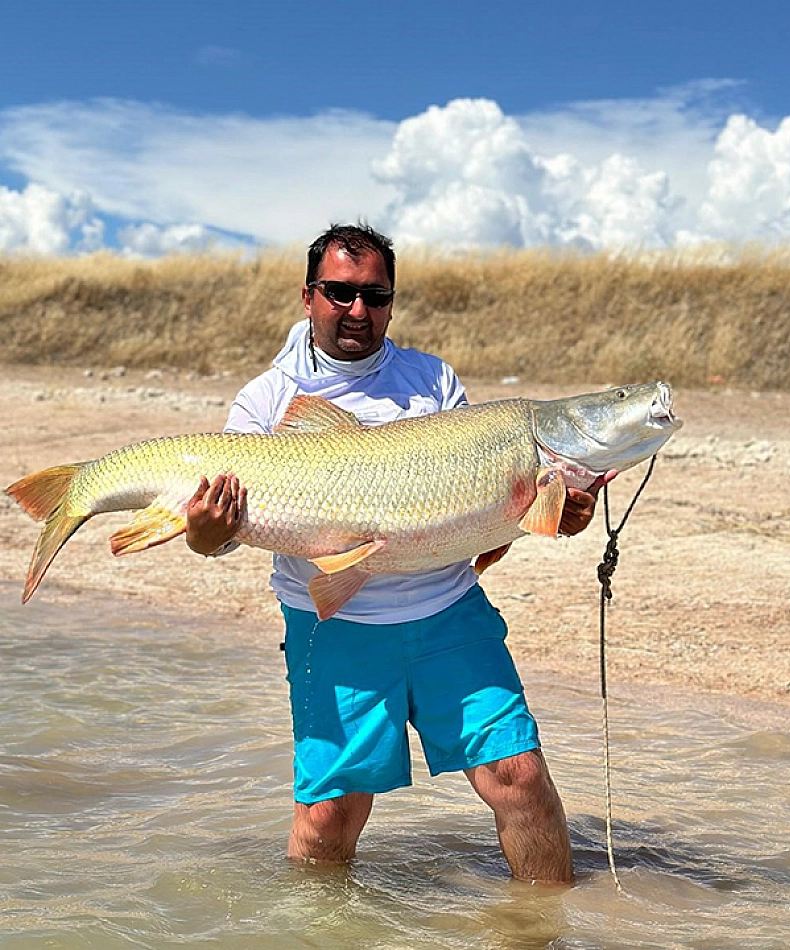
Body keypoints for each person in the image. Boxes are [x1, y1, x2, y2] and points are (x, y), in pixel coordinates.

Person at [182, 223, 600, 884]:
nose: (357, 311)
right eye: (340, 293)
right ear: (308, 295)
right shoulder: (264, 401)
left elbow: (487, 522)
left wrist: (559, 515)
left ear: (391, 301)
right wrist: (205, 529)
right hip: (333, 626)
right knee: (329, 819)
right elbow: (212, 540)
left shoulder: (433, 382)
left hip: (446, 612)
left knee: (521, 782)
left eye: (374, 296)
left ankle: (543, 928)